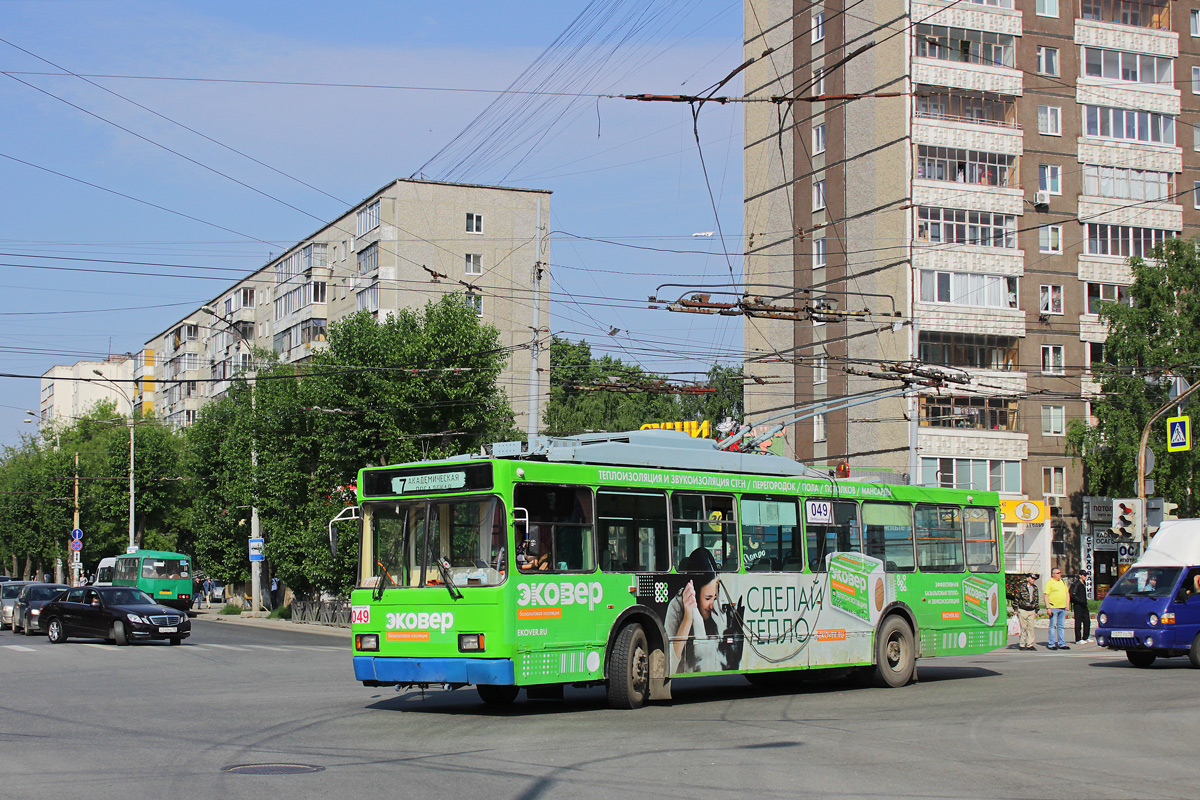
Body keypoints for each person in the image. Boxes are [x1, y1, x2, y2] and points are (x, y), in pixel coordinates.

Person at [664, 549, 729, 673]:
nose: (712, 605)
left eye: (715, 597)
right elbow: (669, 665)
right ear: (695, 592)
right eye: (708, 598)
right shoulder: (676, 606)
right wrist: (688, 618)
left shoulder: (719, 608)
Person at [1045, 568, 1070, 650]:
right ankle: (1051, 644)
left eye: (1060, 573)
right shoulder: (1050, 582)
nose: (1060, 574)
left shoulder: (1062, 582)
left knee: (1061, 626)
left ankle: (1062, 643)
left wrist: (1067, 604)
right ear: (1053, 574)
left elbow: (1067, 593)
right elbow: (1046, 595)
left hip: (1062, 607)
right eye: (1058, 573)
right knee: (1053, 626)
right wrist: (1048, 607)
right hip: (1053, 607)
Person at [1015, 573, 1039, 651]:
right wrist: (1015, 609)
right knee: (1023, 627)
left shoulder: (1035, 588)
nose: (1033, 580)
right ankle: (1022, 644)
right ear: (1028, 578)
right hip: (1023, 610)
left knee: (1031, 628)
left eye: (1034, 579)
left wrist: (1036, 610)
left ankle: (1030, 644)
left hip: (1031, 610)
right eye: (1032, 578)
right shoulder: (1021, 587)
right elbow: (1017, 598)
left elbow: (1036, 599)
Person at [1070, 570, 1091, 644]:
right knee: (1078, 622)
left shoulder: (1083, 584)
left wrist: (1084, 602)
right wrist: (1080, 601)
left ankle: (1086, 637)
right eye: (1083, 575)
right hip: (1078, 605)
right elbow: (1073, 594)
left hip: (1084, 605)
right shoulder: (1077, 584)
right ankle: (1078, 639)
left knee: (1087, 621)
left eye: (1086, 575)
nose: (1085, 577)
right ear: (1080, 575)